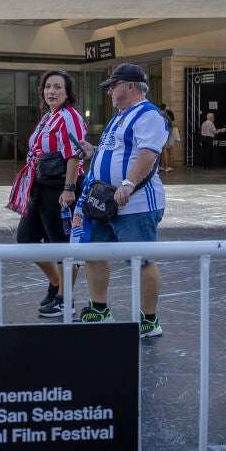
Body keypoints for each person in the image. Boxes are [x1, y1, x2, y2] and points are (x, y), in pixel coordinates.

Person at [72, 63, 165, 337]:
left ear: (129, 86)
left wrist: (128, 183)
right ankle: (99, 309)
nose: (110, 92)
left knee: (142, 259)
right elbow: (118, 151)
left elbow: (149, 153)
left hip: (134, 204)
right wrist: (93, 152)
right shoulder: (121, 117)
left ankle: (149, 320)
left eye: (113, 86)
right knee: (94, 252)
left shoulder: (148, 114)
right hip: (105, 202)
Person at [6, 71, 88, 318]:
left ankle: (65, 299)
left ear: (67, 92)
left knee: (63, 246)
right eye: (48, 87)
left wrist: (69, 188)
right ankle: (56, 284)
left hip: (61, 188)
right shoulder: (49, 117)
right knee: (26, 239)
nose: (51, 91)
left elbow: (74, 154)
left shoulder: (70, 116)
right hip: (40, 186)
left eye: (58, 87)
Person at [159, 103, 178, 172]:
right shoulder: (161, 117)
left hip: (165, 136)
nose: (159, 111)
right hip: (162, 136)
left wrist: (166, 135)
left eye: (160, 109)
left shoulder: (167, 117)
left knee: (165, 151)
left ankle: (167, 166)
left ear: (163, 110)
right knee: (163, 152)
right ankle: (162, 166)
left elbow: (171, 128)